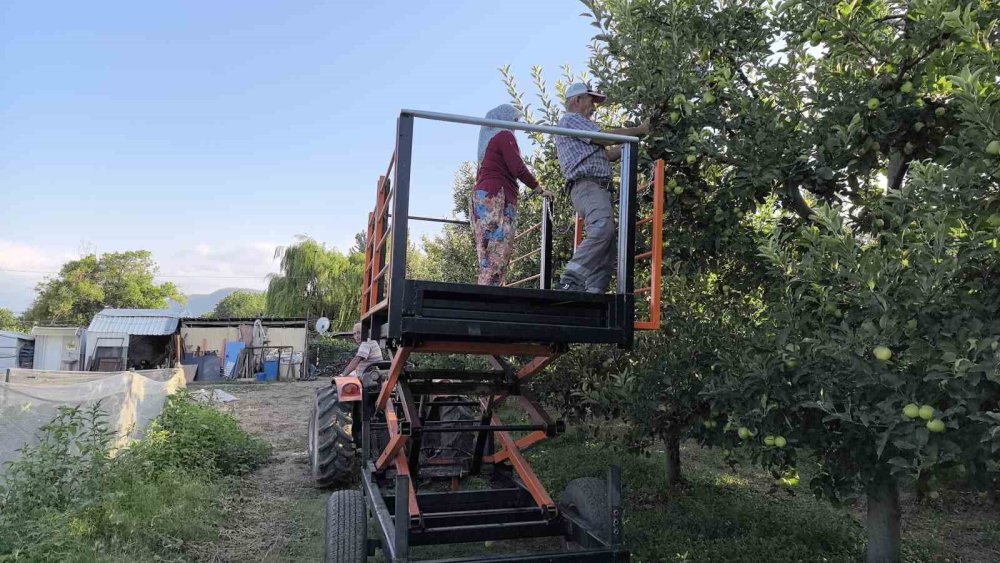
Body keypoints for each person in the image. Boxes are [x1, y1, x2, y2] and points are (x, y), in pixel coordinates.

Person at [554, 83, 649, 294]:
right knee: (603, 227)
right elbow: (603, 136)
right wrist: (639, 131)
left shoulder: (579, 133)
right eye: (591, 101)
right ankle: (570, 279)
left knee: (606, 248)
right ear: (577, 100)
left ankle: (594, 294)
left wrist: (629, 144)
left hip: (595, 188)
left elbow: (605, 155)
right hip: (588, 186)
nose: (594, 108)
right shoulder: (571, 120)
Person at [472, 104, 555, 286]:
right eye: (515, 121)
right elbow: (517, 166)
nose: (517, 126)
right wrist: (539, 189)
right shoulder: (504, 136)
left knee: (486, 253)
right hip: (497, 196)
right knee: (500, 247)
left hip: (481, 197)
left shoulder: (487, 144)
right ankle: (490, 298)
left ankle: (484, 293)